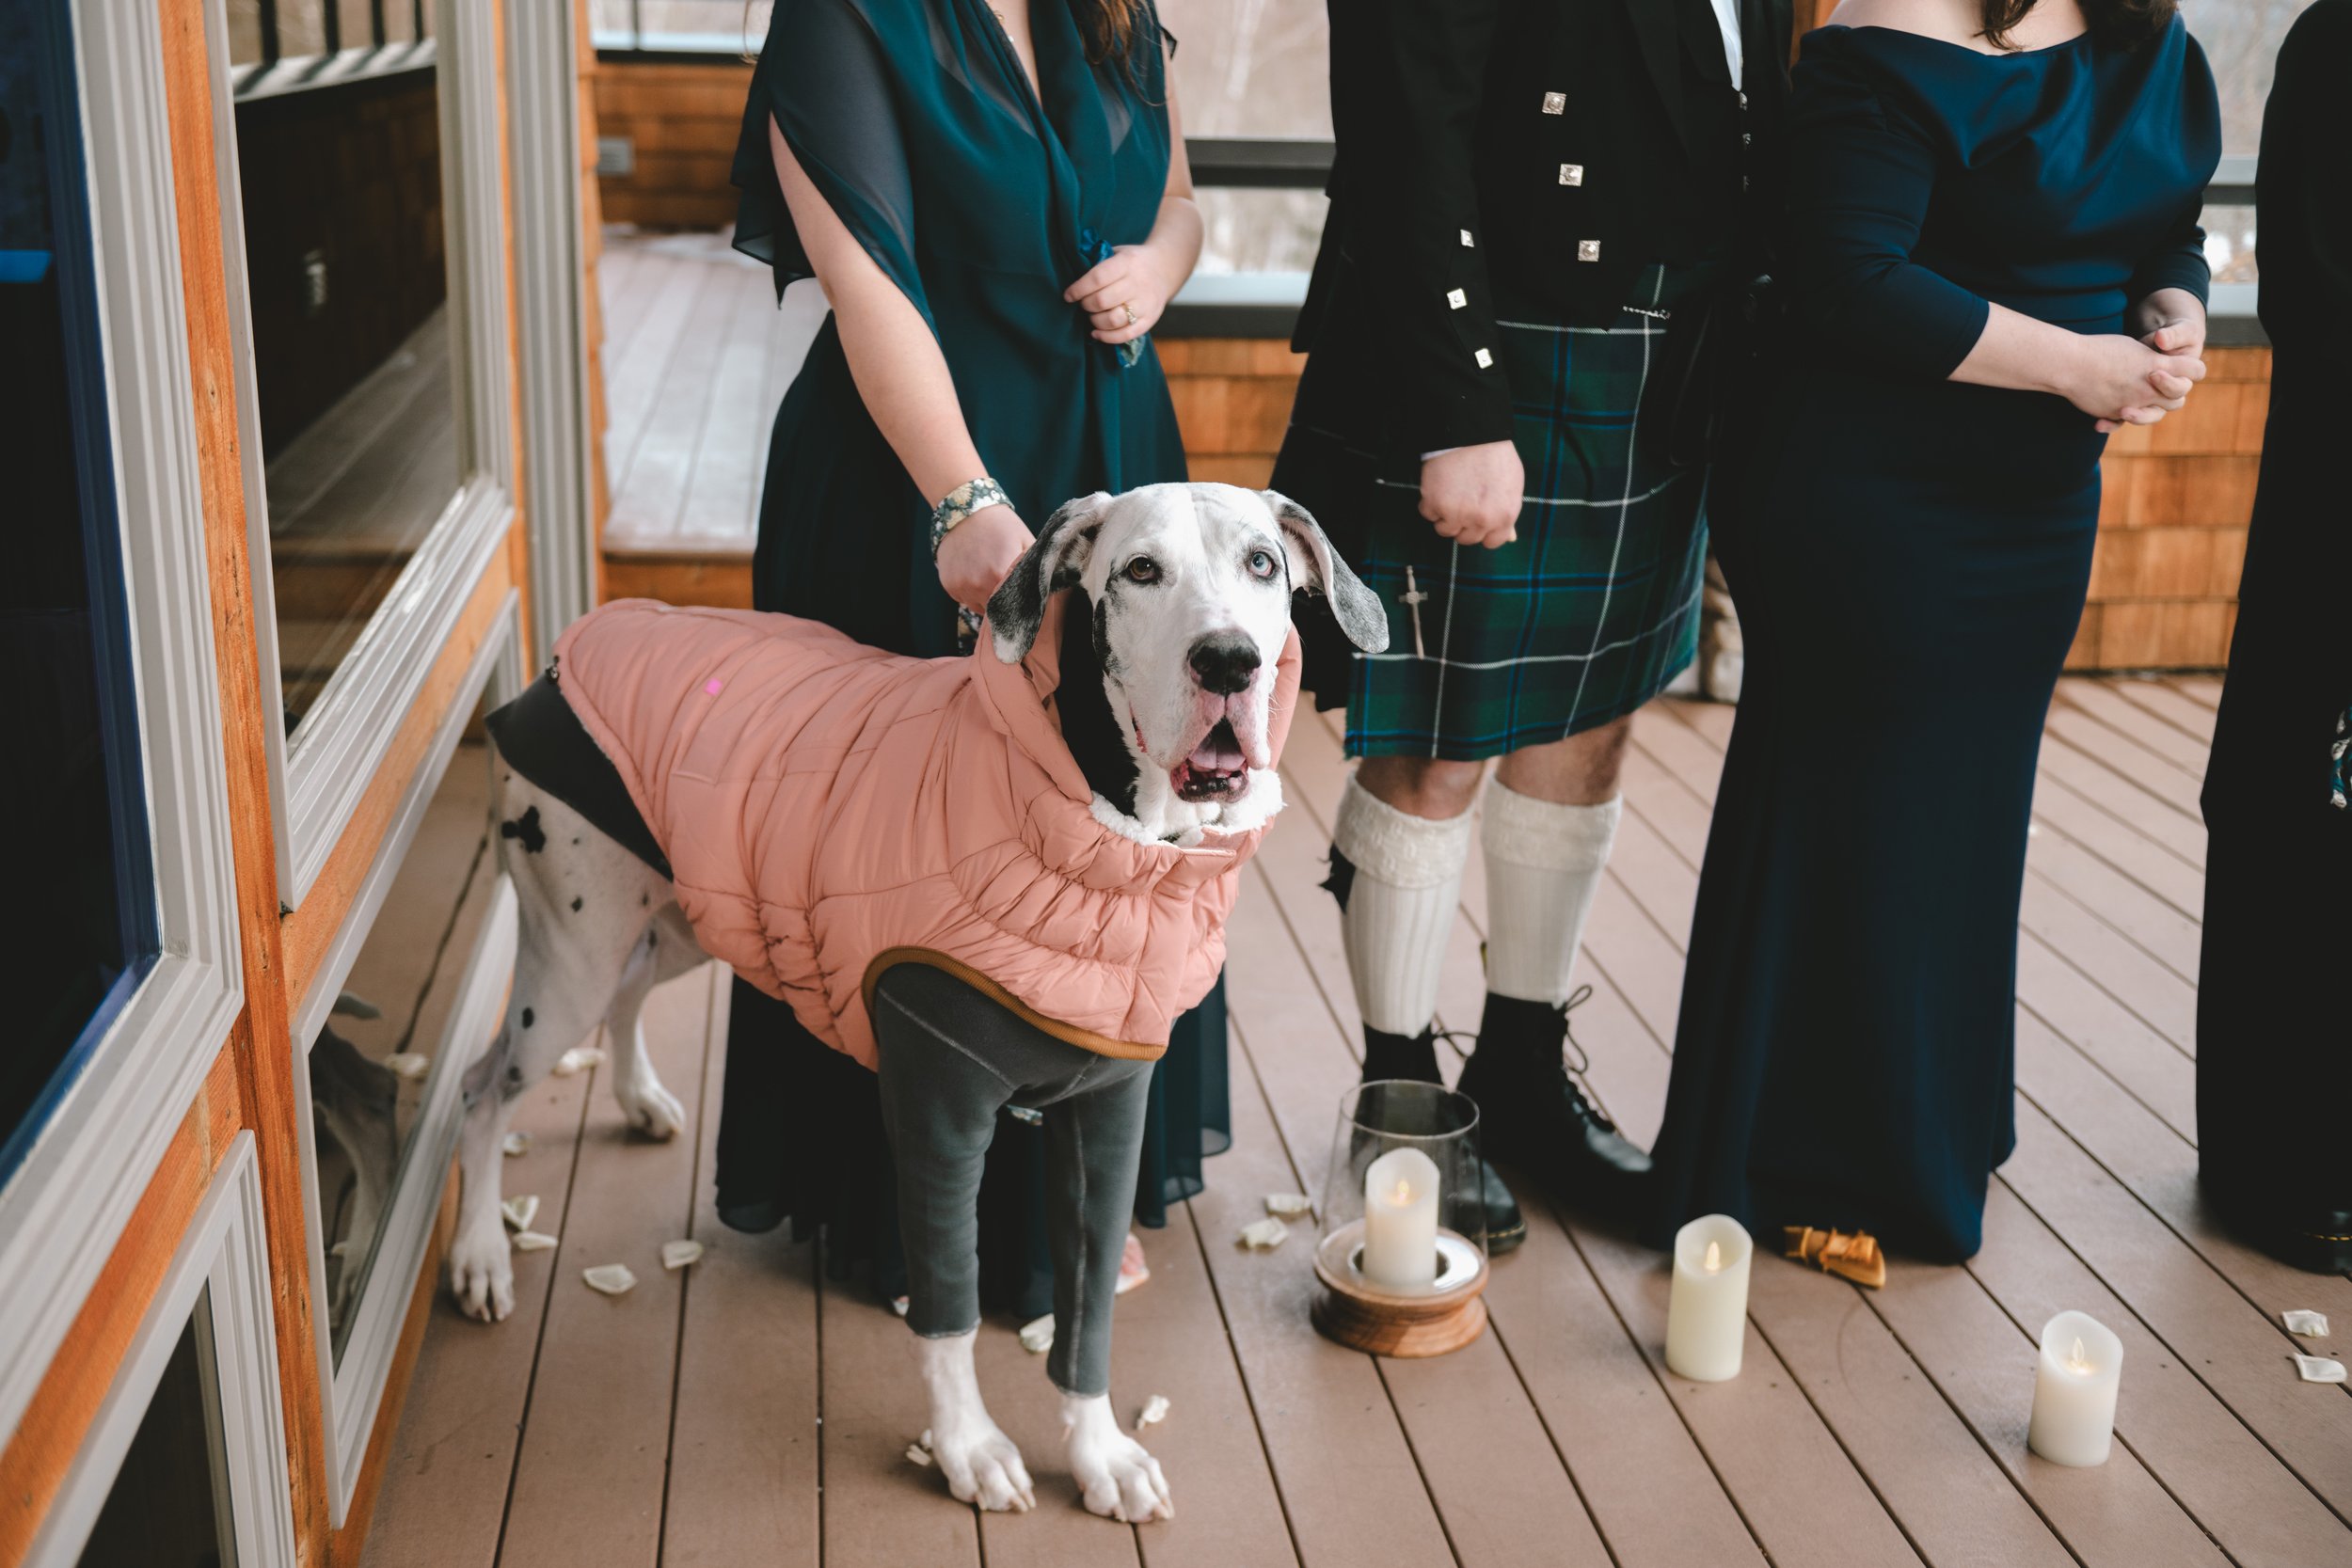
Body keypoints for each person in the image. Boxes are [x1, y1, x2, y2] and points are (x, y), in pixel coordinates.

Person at [1645, 0, 2218, 1263]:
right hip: (1864, 485)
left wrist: (2174, 306)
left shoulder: (2147, 31)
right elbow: (1849, 277)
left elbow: (2170, 223)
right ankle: (1798, 1156)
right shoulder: (1894, 22)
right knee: (1860, 800)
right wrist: (2080, 366)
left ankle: (1925, 1123)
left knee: (1963, 804)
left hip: (2035, 496)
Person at [715, 0, 1214, 1314]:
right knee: (931, 850)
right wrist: (960, 499)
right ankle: (924, 1209)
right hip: (919, 473)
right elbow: (866, 278)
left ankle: (1084, 1180)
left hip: (1109, 449)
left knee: (1114, 831)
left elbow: (1180, 194)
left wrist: (1160, 268)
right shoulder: (845, 18)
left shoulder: (1114, 5)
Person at [1269, 0, 1792, 1237]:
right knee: (1442, 744)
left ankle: (1519, 1061)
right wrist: (1459, 403)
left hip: (1669, 351)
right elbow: (1407, 121)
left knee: (1590, 724)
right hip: (1505, 340)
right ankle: (1398, 1090)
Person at [2196, 0, 2350, 1275]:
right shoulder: (2337, 42)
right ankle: (2283, 1162)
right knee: (2308, 820)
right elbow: (2319, 296)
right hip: (2337, 518)